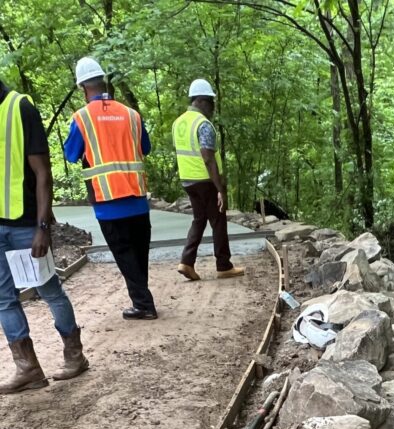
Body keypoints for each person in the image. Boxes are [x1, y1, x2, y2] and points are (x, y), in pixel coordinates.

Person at [0, 81, 88, 393]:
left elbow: (43, 174)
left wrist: (43, 227)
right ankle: (28, 369)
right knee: (4, 299)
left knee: (49, 291)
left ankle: (74, 356)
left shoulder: (20, 107)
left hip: (26, 225)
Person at [64, 57, 157, 320]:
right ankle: (142, 300)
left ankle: (144, 304)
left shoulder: (82, 118)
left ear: (83, 87)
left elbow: (71, 154)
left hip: (108, 203)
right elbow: (145, 148)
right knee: (138, 254)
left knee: (125, 254)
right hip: (137, 198)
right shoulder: (131, 114)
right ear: (103, 81)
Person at [172, 79, 244, 282]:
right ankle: (224, 265)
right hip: (204, 180)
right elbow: (207, 157)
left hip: (187, 179)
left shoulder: (179, 123)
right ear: (202, 101)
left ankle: (186, 262)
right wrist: (219, 188)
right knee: (219, 220)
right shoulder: (203, 124)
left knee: (199, 219)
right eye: (211, 102)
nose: (213, 107)